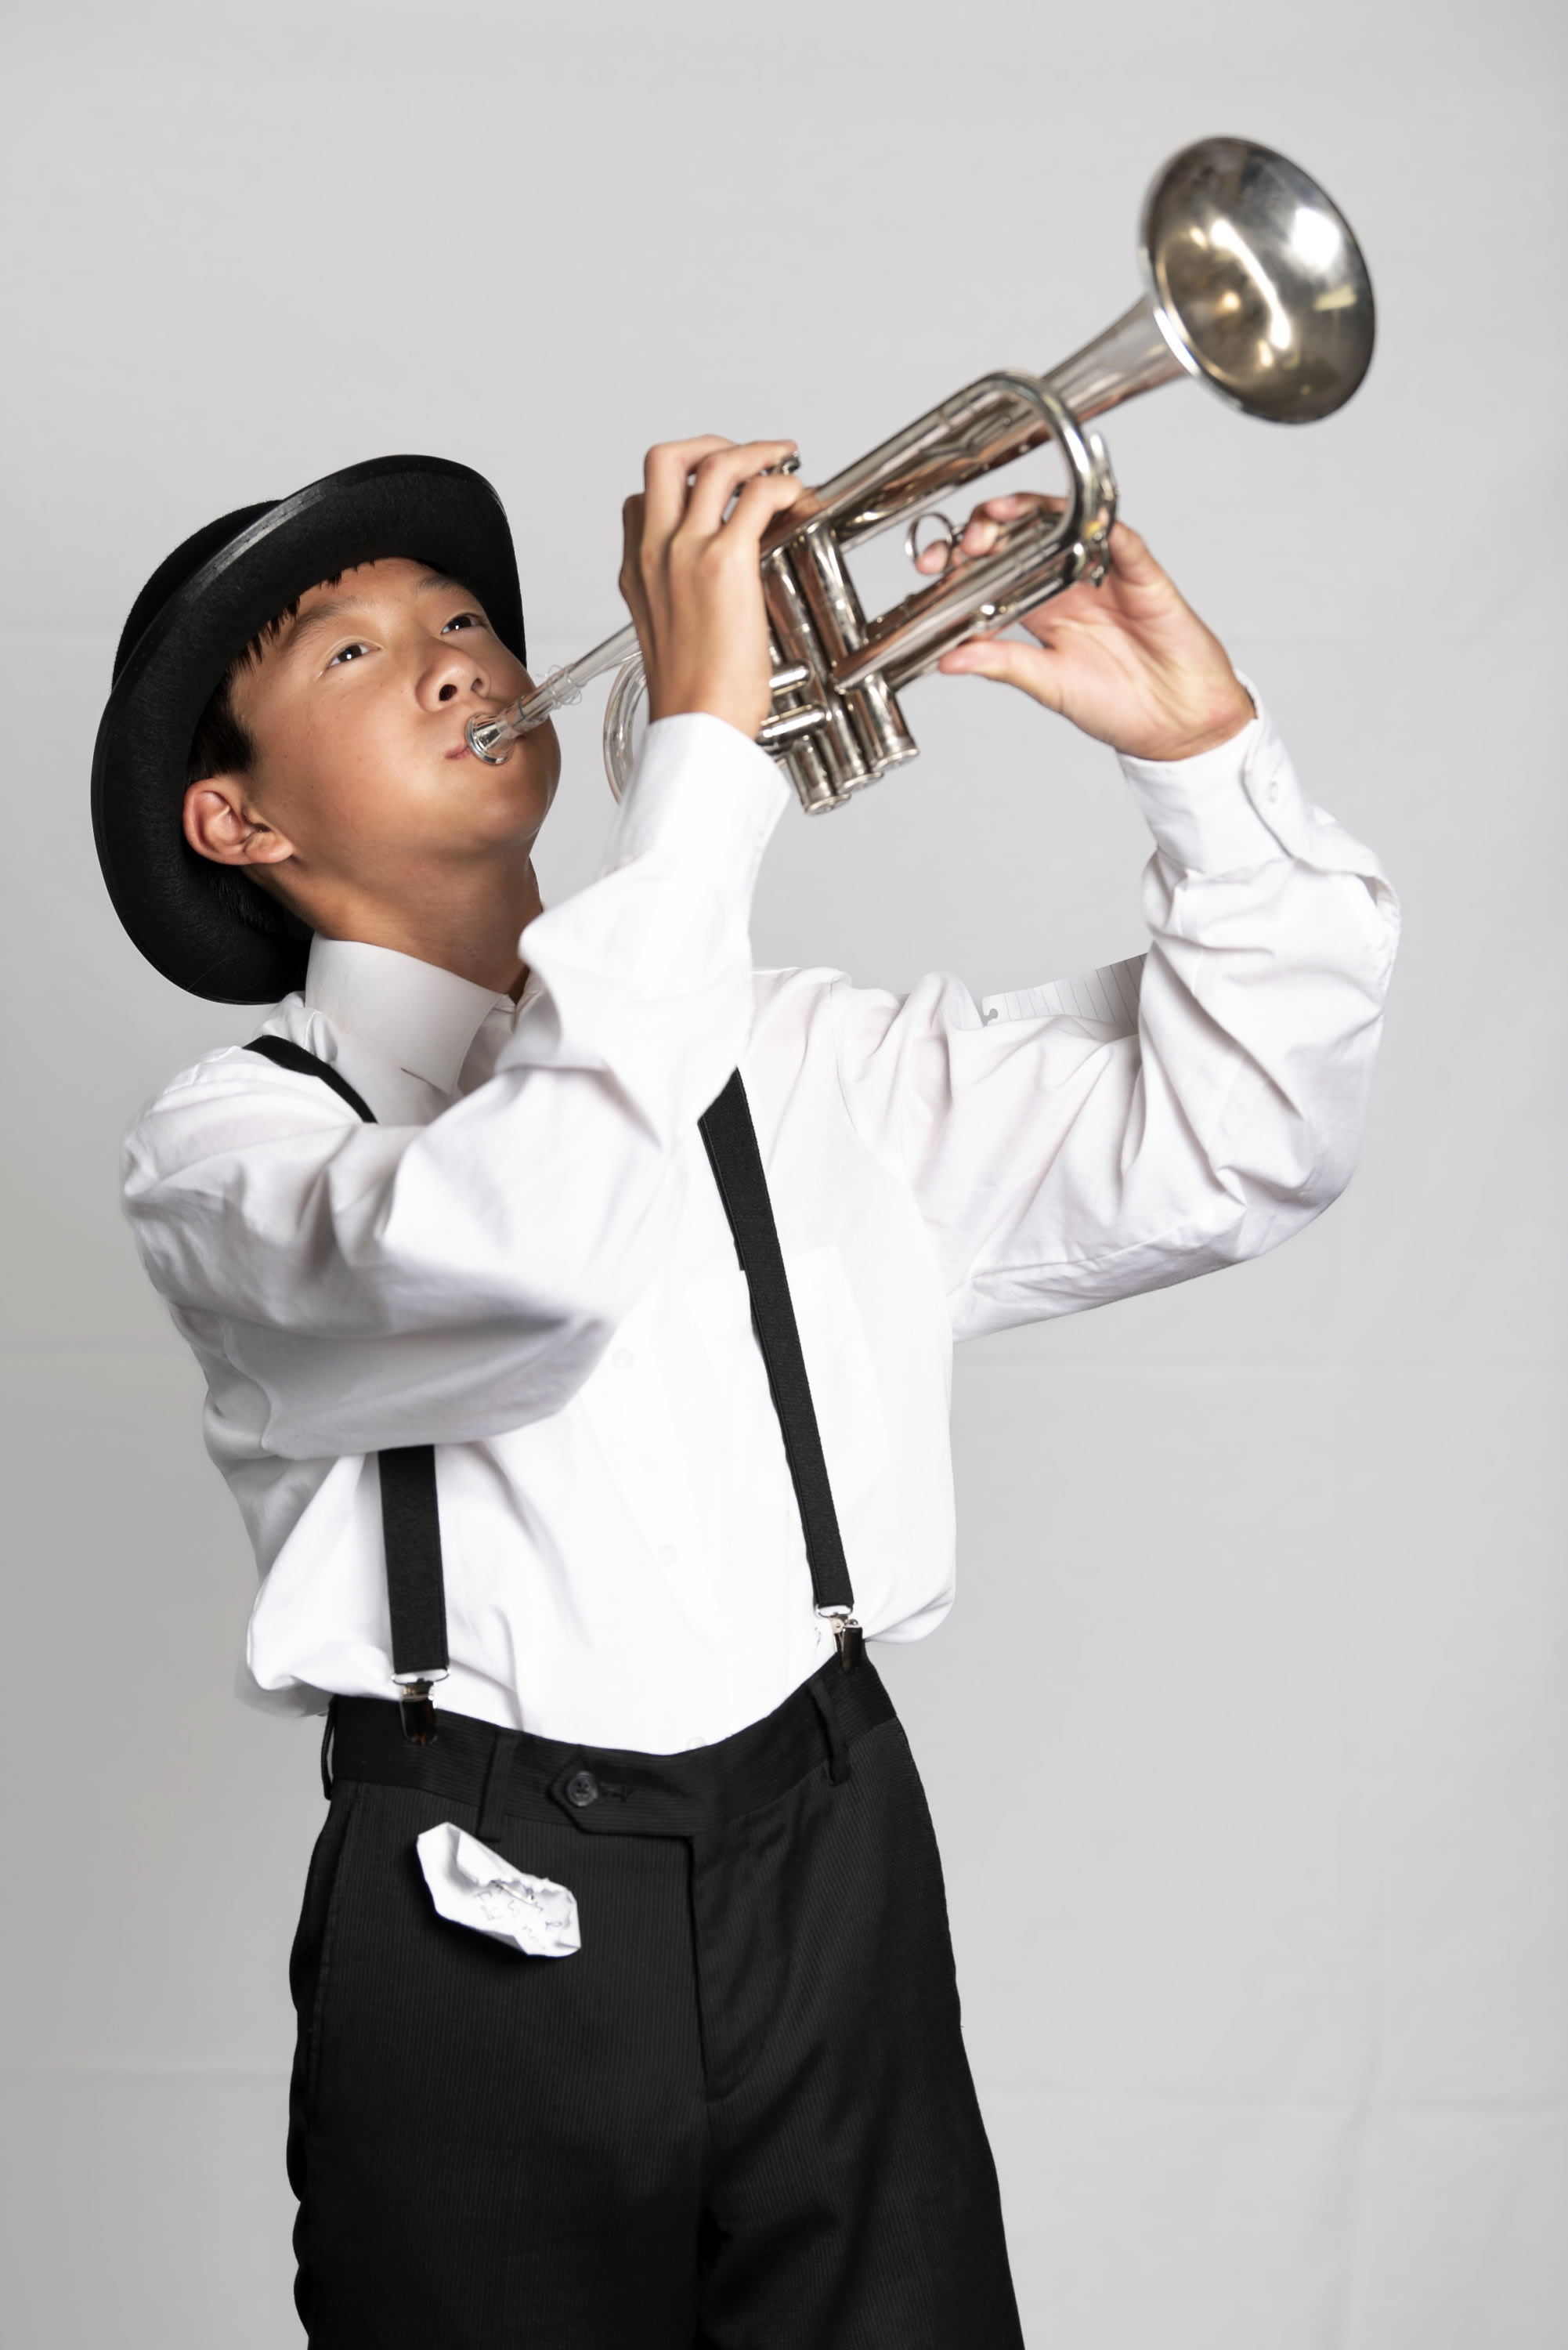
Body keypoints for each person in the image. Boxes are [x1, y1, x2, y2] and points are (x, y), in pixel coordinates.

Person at [95, 441, 1397, 2348]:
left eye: (463, 618)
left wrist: (1198, 763)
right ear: (237, 821)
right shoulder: (226, 1154)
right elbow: (532, 1239)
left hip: (831, 1862)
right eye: (357, 654)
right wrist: (701, 762)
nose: (460, 658)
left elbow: (1246, 1134)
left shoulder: (793, 1058)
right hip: (480, 1929)